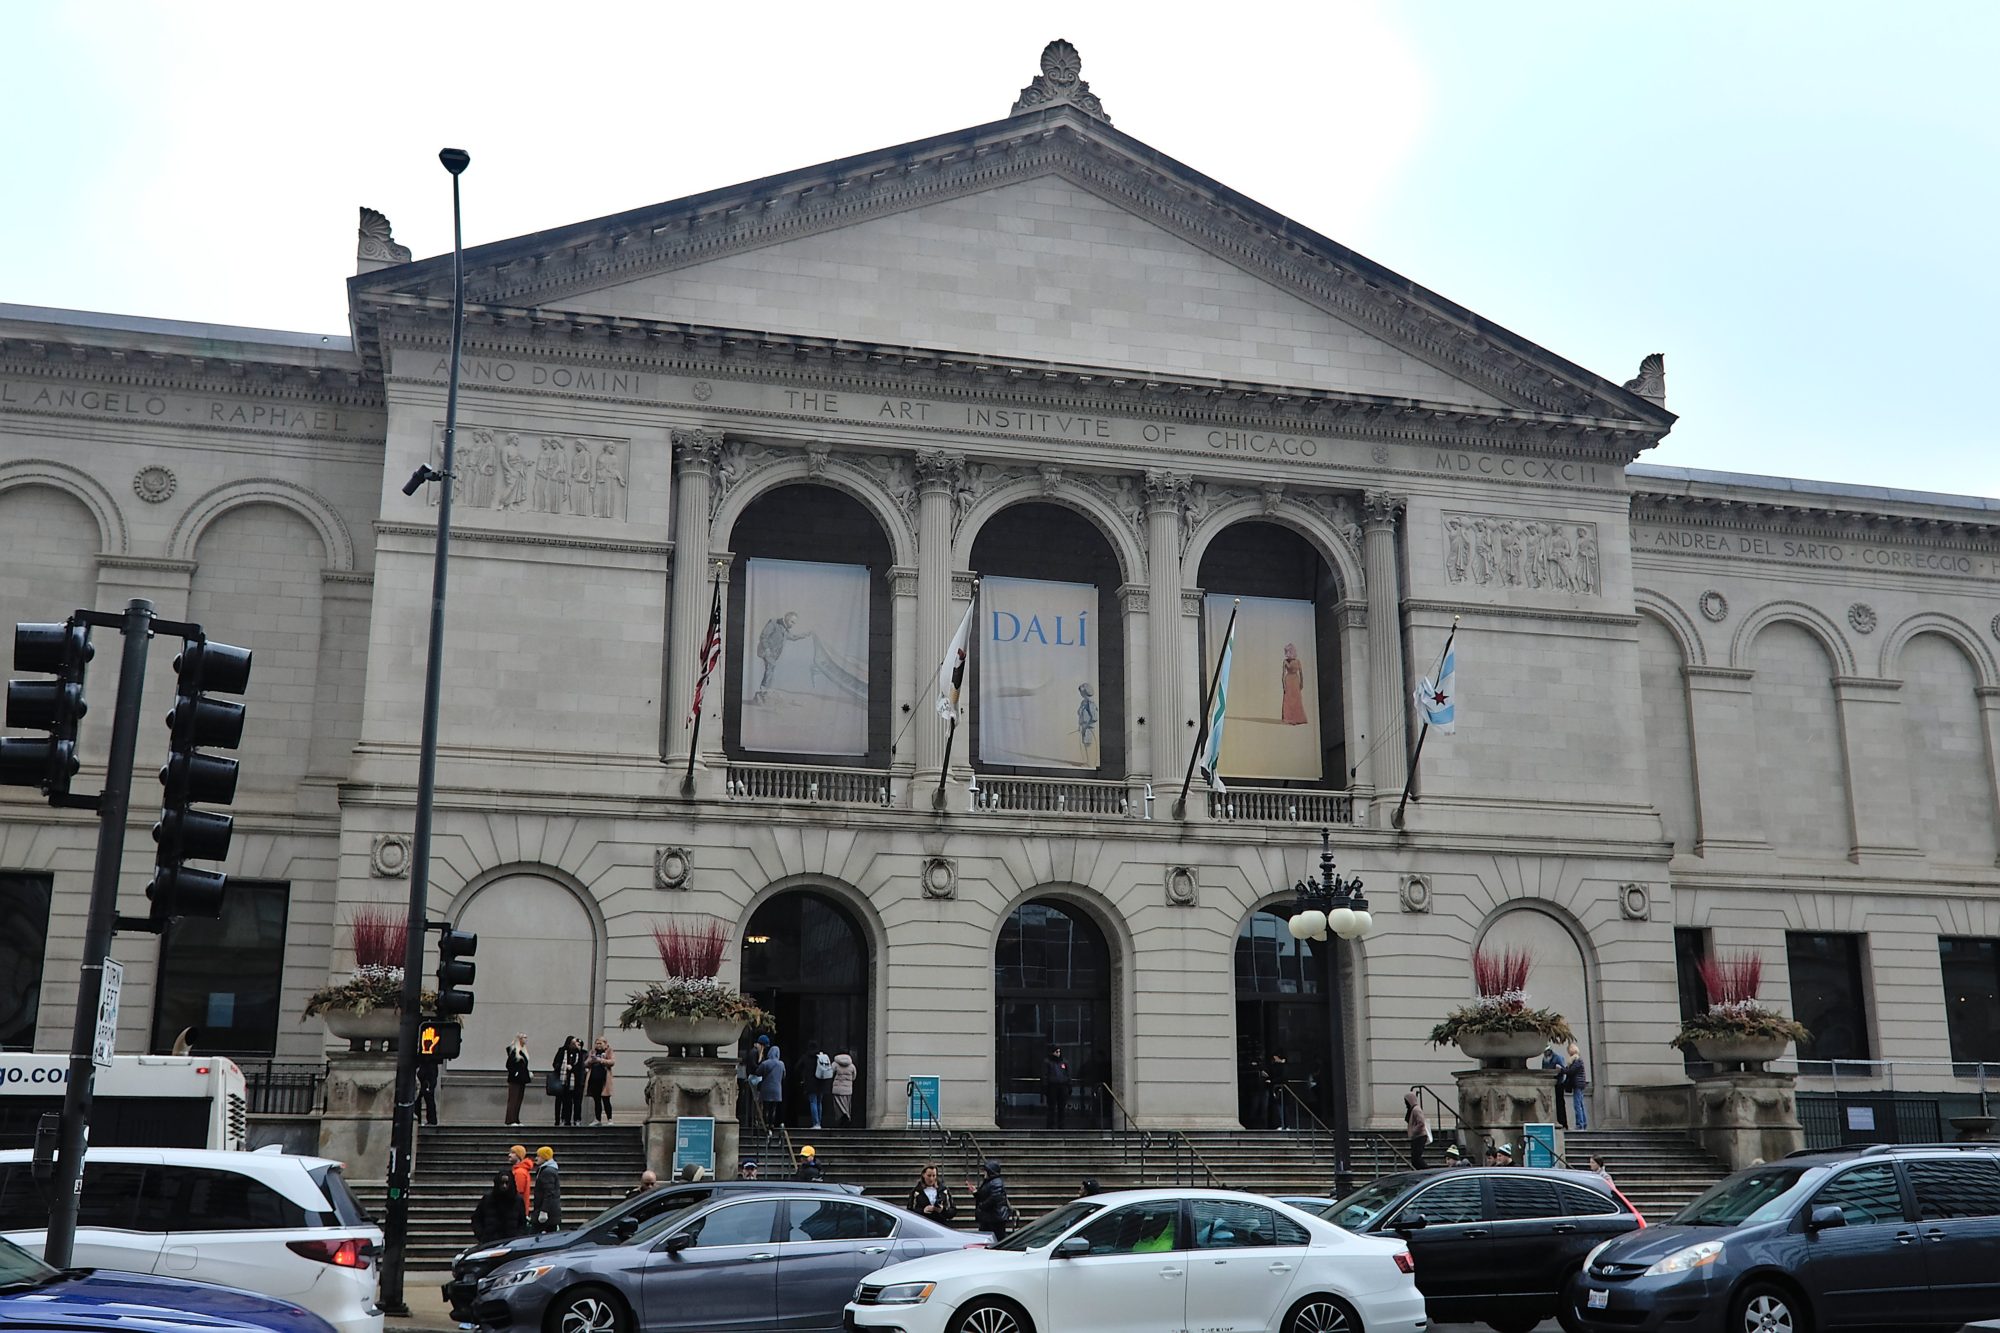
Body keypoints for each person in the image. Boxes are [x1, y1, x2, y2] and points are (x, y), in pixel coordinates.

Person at [471, 1167, 525, 1244]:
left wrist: (517, 1238)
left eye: (507, 1183)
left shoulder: (518, 1200)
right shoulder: (487, 1199)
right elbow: (476, 1219)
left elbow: (522, 1223)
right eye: (502, 1183)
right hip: (490, 1242)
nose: (504, 1186)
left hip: (511, 1243)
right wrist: (482, 1236)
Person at [969, 1159, 1013, 1240]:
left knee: (996, 1237)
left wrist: (982, 1206)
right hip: (990, 1217)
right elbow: (985, 1196)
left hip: (994, 1218)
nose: (984, 1173)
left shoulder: (996, 1182)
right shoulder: (990, 1182)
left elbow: (994, 1198)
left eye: (985, 1171)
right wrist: (975, 1193)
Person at [552, 1037, 585, 1127]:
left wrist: (572, 1068)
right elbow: (555, 1063)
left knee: (573, 1101)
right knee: (561, 1101)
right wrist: (562, 1066)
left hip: (574, 1081)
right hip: (562, 1079)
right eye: (573, 1043)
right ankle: (560, 1119)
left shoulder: (578, 1053)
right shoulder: (562, 1051)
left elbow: (580, 1066)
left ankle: (574, 1119)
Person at [586, 1036, 617, 1125]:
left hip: (604, 1079)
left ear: (605, 1044)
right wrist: (591, 1060)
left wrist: (601, 1060)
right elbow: (586, 1063)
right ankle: (597, 1119)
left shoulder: (609, 1051)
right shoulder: (593, 1052)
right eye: (597, 1043)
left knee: (606, 1099)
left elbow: (612, 1062)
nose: (598, 1045)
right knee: (596, 1100)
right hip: (594, 1078)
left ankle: (609, 1119)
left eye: (600, 1043)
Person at [531, 1147, 562, 1233]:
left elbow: (549, 1193)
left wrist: (544, 1211)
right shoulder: (547, 1170)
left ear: (545, 1157)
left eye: (539, 1156)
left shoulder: (547, 1172)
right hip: (550, 1212)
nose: (536, 1158)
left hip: (547, 1213)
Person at [503, 1035, 531, 1126]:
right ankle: (510, 1120)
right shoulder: (515, 1051)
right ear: (519, 1039)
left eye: (526, 1037)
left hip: (522, 1079)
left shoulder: (523, 1051)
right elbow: (509, 1065)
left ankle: (516, 1118)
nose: (525, 1039)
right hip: (515, 1079)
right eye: (524, 1037)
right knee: (513, 1100)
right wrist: (516, 1073)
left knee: (519, 1099)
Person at [757, 1044, 787, 1128]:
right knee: (773, 1108)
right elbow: (784, 1076)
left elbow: (758, 1072)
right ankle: (772, 1124)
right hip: (777, 1089)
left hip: (766, 1088)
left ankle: (765, 1123)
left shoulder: (765, 1063)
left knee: (766, 1107)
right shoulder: (781, 1064)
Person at [1541, 1042, 1569, 1129]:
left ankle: (1563, 1123)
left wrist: (1559, 1070)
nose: (1546, 1053)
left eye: (1547, 1052)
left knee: (1560, 1104)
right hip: (1549, 1085)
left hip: (1558, 1084)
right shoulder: (1544, 1060)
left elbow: (1564, 1070)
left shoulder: (1557, 1058)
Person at [1279, 642, 1308, 725]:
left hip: (1295, 680)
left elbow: (1301, 673)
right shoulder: (1285, 661)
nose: (1287, 654)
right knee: (1288, 699)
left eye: (1288, 652)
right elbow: (1283, 674)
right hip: (1288, 680)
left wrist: (1302, 683)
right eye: (1286, 652)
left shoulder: (1298, 661)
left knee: (1297, 699)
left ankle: (1298, 718)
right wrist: (1283, 685)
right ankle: (1288, 718)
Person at [1043, 1045, 1071, 1129]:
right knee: (1051, 1107)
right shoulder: (1047, 1062)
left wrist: (1069, 1085)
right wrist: (1045, 1086)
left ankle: (1061, 1125)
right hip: (1052, 1086)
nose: (1058, 1054)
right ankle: (1050, 1125)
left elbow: (1068, 1074)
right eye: (1056, 1052)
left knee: (1061, 1107)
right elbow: (1044, 1075)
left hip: (1062, 1085)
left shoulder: (1064, 1062)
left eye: (1059, 1052)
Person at [1565, 1042, 1590, 1129]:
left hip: (1577, 1085)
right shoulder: (1578, 1060)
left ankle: (1580, 1124)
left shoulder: (1576, 1060)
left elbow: (1571, 1071)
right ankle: (1583, 1123)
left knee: (1577, 1105)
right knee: (1580, 1104)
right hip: (1579, 1084)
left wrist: (1562, 1070)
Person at [829, 1050, 857, 1128]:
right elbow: (854, 1077)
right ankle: (847, 1115)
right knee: (847, 1104)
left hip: (837, 1088)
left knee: (838, 1105)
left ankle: (841, 1117)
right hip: (848, 1089)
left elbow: (830, 1074)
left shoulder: (835, 1064)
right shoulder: (852, 1066)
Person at [809, 1045, 835, 1130]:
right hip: (822, 1083)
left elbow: (798, 1067)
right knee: (819, 1102)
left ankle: (816, 1123)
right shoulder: (822, 1057)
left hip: (811, 1084)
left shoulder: (807, 1057)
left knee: (813, 1102)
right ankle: (819, 1122)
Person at [1404, 1087, 1429, 1169]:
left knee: (1416, 1158)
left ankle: (1426, 1171)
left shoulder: (1416, 1109)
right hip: (1416, 1137)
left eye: (1406, 1101)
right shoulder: (1413, 1109)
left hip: (1419, 1136)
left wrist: (1414, 1131)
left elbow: (1421, 1123)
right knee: (1415, 1159)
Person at [416, 1053, 440, 1127]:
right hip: (426, 1071)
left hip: (428, 1073)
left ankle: (431, 1120)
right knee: (420, 1097)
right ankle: (428, 1120)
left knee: (427, 1096)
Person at [509, 1145, 533, 1214]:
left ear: (519, 1156)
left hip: (516, 1210)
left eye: (513, 1153)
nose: (509, 1155)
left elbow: (517, 1192)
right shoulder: (520, 1171)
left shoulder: (519, 1172)